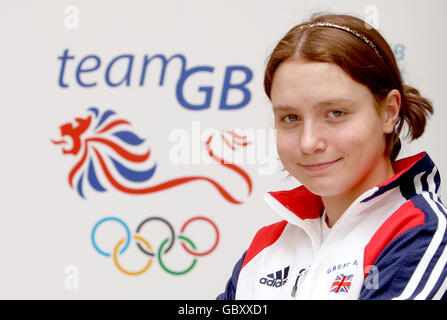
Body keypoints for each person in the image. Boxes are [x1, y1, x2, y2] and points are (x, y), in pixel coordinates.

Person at [217, 12, 447, 300]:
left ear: (389, 112)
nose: (309, 142)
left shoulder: (422, 235)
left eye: (335, 113)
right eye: (291, 117)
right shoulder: (267, 247)